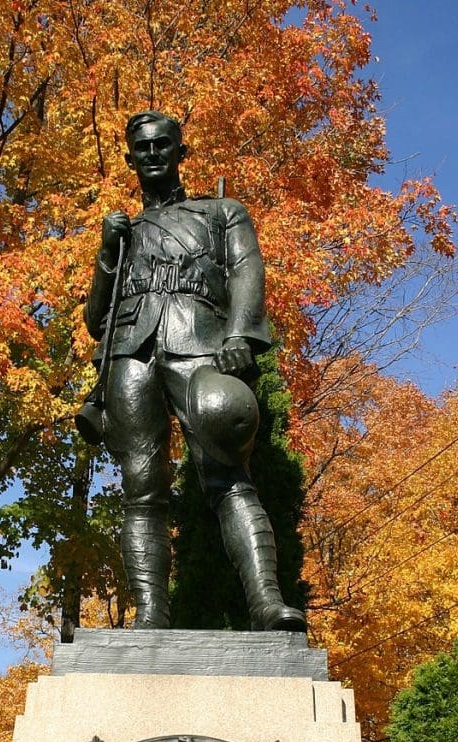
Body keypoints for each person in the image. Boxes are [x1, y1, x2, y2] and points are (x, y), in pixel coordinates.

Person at [83, 110, 305, 633]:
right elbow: (96, 319)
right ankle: (151, 615)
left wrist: (240, 337)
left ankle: (267, 604)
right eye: (143, 147)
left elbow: (248, 270)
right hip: (130, 352)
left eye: (164, 145)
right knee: (141, 487)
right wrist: (107, 252)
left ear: (181, 152)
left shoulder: (221, 212)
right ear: (130, 157)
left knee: (229, 474)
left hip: (200, 343)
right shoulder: (124, 230)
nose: (153, 153)